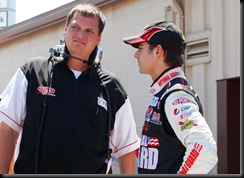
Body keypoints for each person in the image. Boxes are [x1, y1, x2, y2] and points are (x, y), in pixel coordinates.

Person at [0, 3, 140, 174]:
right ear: (65, 29)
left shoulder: (112, 88)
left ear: (99, 38)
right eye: (75, 27)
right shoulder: (32, 72)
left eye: (89, 31)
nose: (80, 35)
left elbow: (126, 149)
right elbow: (7, 129)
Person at [122, 20, 218, 174]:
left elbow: (204, 149)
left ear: (158, 51)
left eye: (140, 48)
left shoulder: (175, 96)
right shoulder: (165, 92)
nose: (136, 54)